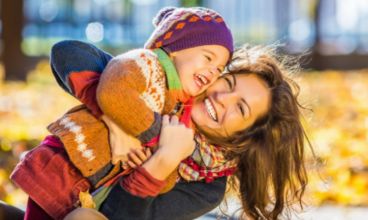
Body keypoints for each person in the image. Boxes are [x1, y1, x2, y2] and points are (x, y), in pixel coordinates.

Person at [11, 6, 233, 220]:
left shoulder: (182, 115)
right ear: (175, 48)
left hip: (90, 194)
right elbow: (113, 92)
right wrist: (153, 140)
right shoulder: (146, 65)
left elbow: (166, 181)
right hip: (64, 168)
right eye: (208, 57)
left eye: (220, 69)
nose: (214, 70)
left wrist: (149, 162)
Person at [52, 43, 314, 220]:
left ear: (244, 135)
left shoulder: (207, 187)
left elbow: (117, 217)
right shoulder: (162, 93)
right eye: (229, 82)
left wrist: (162, 161)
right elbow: (67, 52)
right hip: (52, 190)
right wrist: (117, 117)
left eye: (241, 108)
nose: (223, 97)